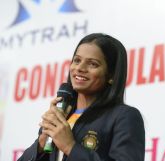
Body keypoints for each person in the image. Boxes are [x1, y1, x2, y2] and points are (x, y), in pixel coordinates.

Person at [18, 33, 145, 161]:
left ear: (111, 75)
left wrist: (70, 147)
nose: (80, 68)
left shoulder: (123, 117)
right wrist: (41, 143)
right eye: (77, 60)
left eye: (93, 64)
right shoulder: (60, 116)